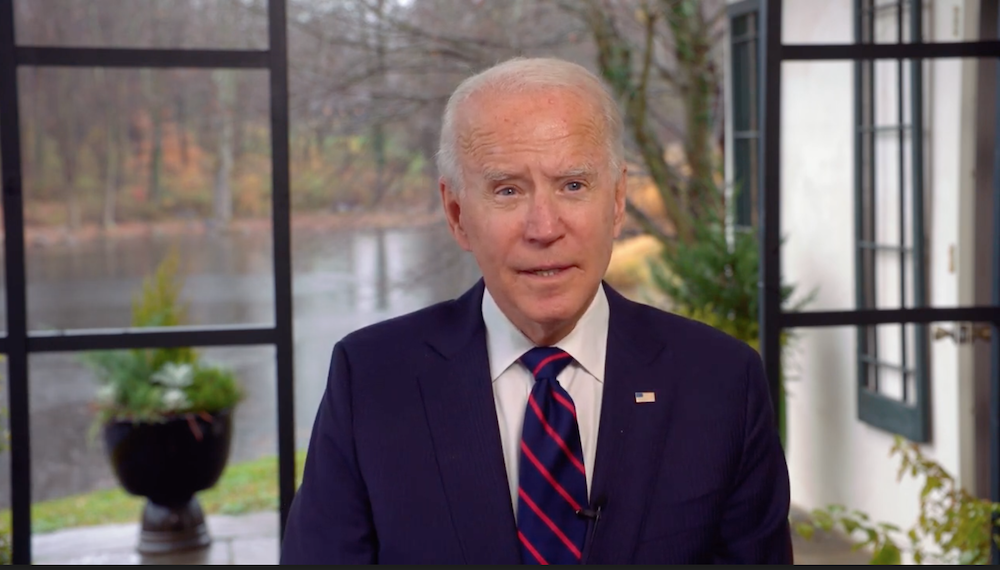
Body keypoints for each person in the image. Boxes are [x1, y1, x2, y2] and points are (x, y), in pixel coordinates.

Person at [280, 56, 793, 564]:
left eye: (573, 185)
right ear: (457, 214)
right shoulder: (371, 379)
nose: (544, 227)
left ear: (616, 201)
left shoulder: (724, 382)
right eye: (507, 190)